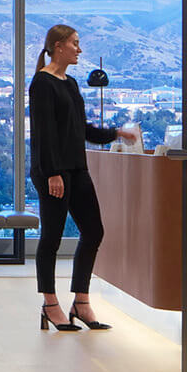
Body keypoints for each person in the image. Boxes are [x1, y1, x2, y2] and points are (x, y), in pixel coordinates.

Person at [27, 23, 137, 331]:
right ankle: (50, 304)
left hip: (77, 168)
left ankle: (81, 301)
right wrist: (52, 174)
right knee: (52, 237)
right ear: (59, 46)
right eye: (75, 43)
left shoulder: (71, 83)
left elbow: (81, 129)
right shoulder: (42, 83)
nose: (80, 48)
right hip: (53, 172)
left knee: (94, 231)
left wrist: (115, 133)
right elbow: (44, 134)